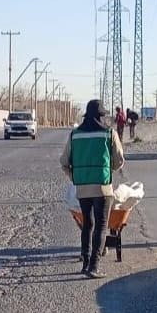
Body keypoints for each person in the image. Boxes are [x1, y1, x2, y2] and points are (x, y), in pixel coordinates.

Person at [60, 99, 124, 278]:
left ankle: (85, 262)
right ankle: (94, 266)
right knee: (101, 226)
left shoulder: (75, 135)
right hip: (103, 188)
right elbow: (119, 160)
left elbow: (64, 162)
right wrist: (108, 170)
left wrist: (76, 177)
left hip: (82, 188)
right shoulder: (109, 133)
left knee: (87, 224)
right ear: (101, 116)